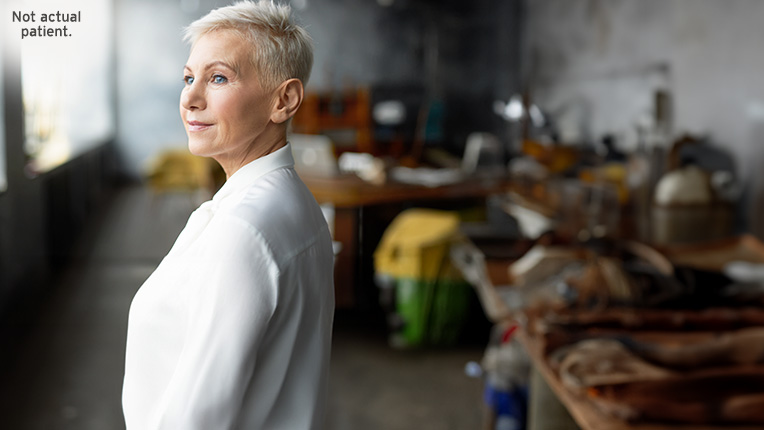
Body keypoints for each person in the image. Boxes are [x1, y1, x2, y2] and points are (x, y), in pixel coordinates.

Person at [122, 2, 335, 429]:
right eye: (189, 77)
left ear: (284, 99)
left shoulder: (245, 229)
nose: (190, 98)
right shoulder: (290, 201)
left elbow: (197, 418)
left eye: (218, 77)